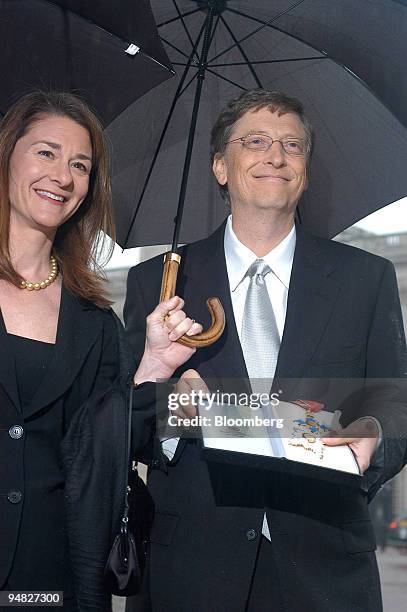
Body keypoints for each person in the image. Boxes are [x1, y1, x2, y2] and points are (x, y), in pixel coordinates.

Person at [124, 89, 407, 611]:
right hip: (191, 570)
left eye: (292, 145)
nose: (275, 156)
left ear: (305, 169)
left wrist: (373, 435)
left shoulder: (366, 278)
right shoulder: (158, 283)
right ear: (220, 166)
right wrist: (173, 410)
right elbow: (124, 424)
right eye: (255, 141)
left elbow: (397, 404)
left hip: (325, 568)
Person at [0, 91, 201, 610]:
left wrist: (154, 366)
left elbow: (108, 451)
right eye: (46, 152)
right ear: (7, 155)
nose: (63, 176)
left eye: (80, 165)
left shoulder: (96, 323)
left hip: (49, 585)